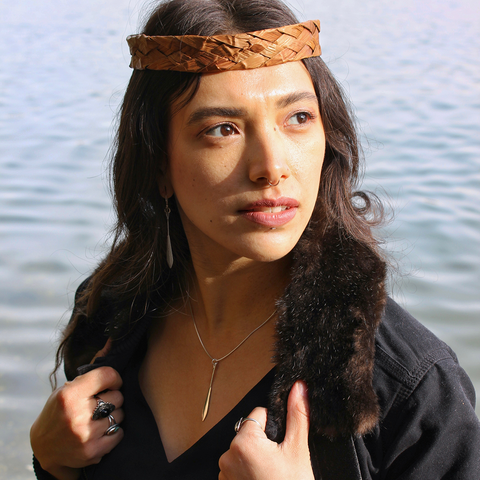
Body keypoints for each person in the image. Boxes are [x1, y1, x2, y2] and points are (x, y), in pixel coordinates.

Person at [30, 0, 480, 478]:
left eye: (298, 118)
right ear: (159, 164)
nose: (271, 166)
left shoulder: (407, 384)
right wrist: (53, 463)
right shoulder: (110, 316)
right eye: (222, 129)